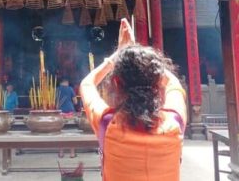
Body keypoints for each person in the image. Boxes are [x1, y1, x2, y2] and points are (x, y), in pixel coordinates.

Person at [80, 19, 187, 181]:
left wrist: (119, 54)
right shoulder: (175, 121)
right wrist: (144, 60)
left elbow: (87, 84)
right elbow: (173, 83)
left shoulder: (108, 123)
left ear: (116, 82)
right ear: (158, 82)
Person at [57, 77, 78, 158]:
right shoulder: (70, 89)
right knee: (71, 132)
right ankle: (72, 153)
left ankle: (61, 153)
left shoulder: (57, 90)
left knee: (60, 132)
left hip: (60, 112)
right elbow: (75, 101)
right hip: (70, 112)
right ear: (66, 82)